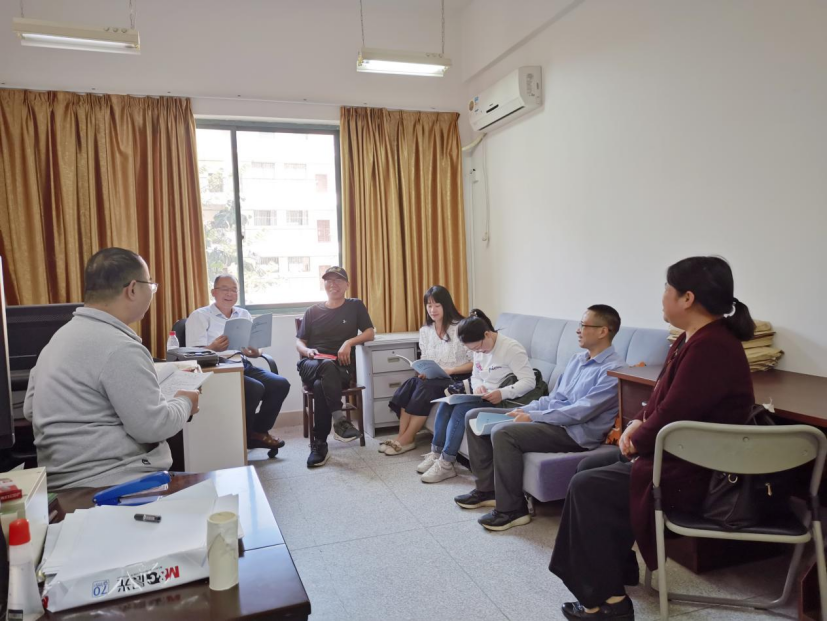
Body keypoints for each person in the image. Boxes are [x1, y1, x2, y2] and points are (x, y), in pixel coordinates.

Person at [549, 257, 755, 621]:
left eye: (667, 289)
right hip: (680, 456)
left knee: (588, 486)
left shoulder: (713, 347)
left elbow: (676, 412)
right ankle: (616, 569)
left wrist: (637, 438)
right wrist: (637, 425)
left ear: (687, 298)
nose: (662, 296)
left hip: (699, 473)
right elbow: (662, 401)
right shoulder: (691, 339)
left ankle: (610, 602)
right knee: (590, 467)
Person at [23, 248, 200, 491]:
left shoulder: (58, 339)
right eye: (151, 285)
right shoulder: (119, 347)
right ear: (133, 289)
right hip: (112, 484)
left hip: (60, 484)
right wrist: (186, 401)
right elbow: (153, 427)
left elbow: (30, 409)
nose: (152, 292)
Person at [455, 305, 626, 531]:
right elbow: (554, 398)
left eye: (584, 325)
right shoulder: (578, 360)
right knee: (474, 416)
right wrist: (527, 410)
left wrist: (533, 416)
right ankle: (487, 491)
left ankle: (513, 510)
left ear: (603, 331)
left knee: (504, 433)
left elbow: (580, 412)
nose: (578, 330)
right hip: (552, 418)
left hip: (574, 432)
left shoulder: (614, 370)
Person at [419, 309, 535, 484]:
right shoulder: (478, 348)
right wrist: (478, 385)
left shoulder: (511, 349)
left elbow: (529, 381)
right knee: (446, 404)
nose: (478, 352)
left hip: (504, 400)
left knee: (461, 410)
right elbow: (476, 375)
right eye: (473, 350)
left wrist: (502, 393)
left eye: (478, 347)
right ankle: (436, 453)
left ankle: (446, 463)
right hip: (482, 395)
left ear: (487, 334)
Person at [186, 274, 290, 452]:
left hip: (242, 363)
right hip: (217, 368)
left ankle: (257, 431)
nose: (229, 293)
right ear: (213, 292)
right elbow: (192, 354)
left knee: (280, 384)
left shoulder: (243, 314)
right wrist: (212, 348)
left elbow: (256, 347)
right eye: (224, 289)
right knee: (255, 388)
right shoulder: (200, 316)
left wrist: (256, 352)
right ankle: (242, 436)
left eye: (234, 290)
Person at [296, 266, 375, 467]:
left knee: (320, 384)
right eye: (329, 280)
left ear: (347, 285)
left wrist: (348, 342)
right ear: (324, 284)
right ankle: (340, 420)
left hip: (340, 368)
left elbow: (369, 333)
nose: (333, 284)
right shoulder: (312, 311)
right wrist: (307, 351)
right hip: (312, 364)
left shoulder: (355, 306)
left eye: (338, 280)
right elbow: (299, 342)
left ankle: (320, 445)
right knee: (325, 367)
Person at [380, 285, 473, 456]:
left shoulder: (460, 327)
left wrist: (451, 370)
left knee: (425, 388)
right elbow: (425, 358)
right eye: (429, 305)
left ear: (447, 305)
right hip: (435, 377)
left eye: (437, 305)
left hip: (458, 377)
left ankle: (407, 438)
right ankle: (402, 437)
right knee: (411, 384)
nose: (432, 310)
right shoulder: (425, 331)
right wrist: (423, 371)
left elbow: (475, 363)